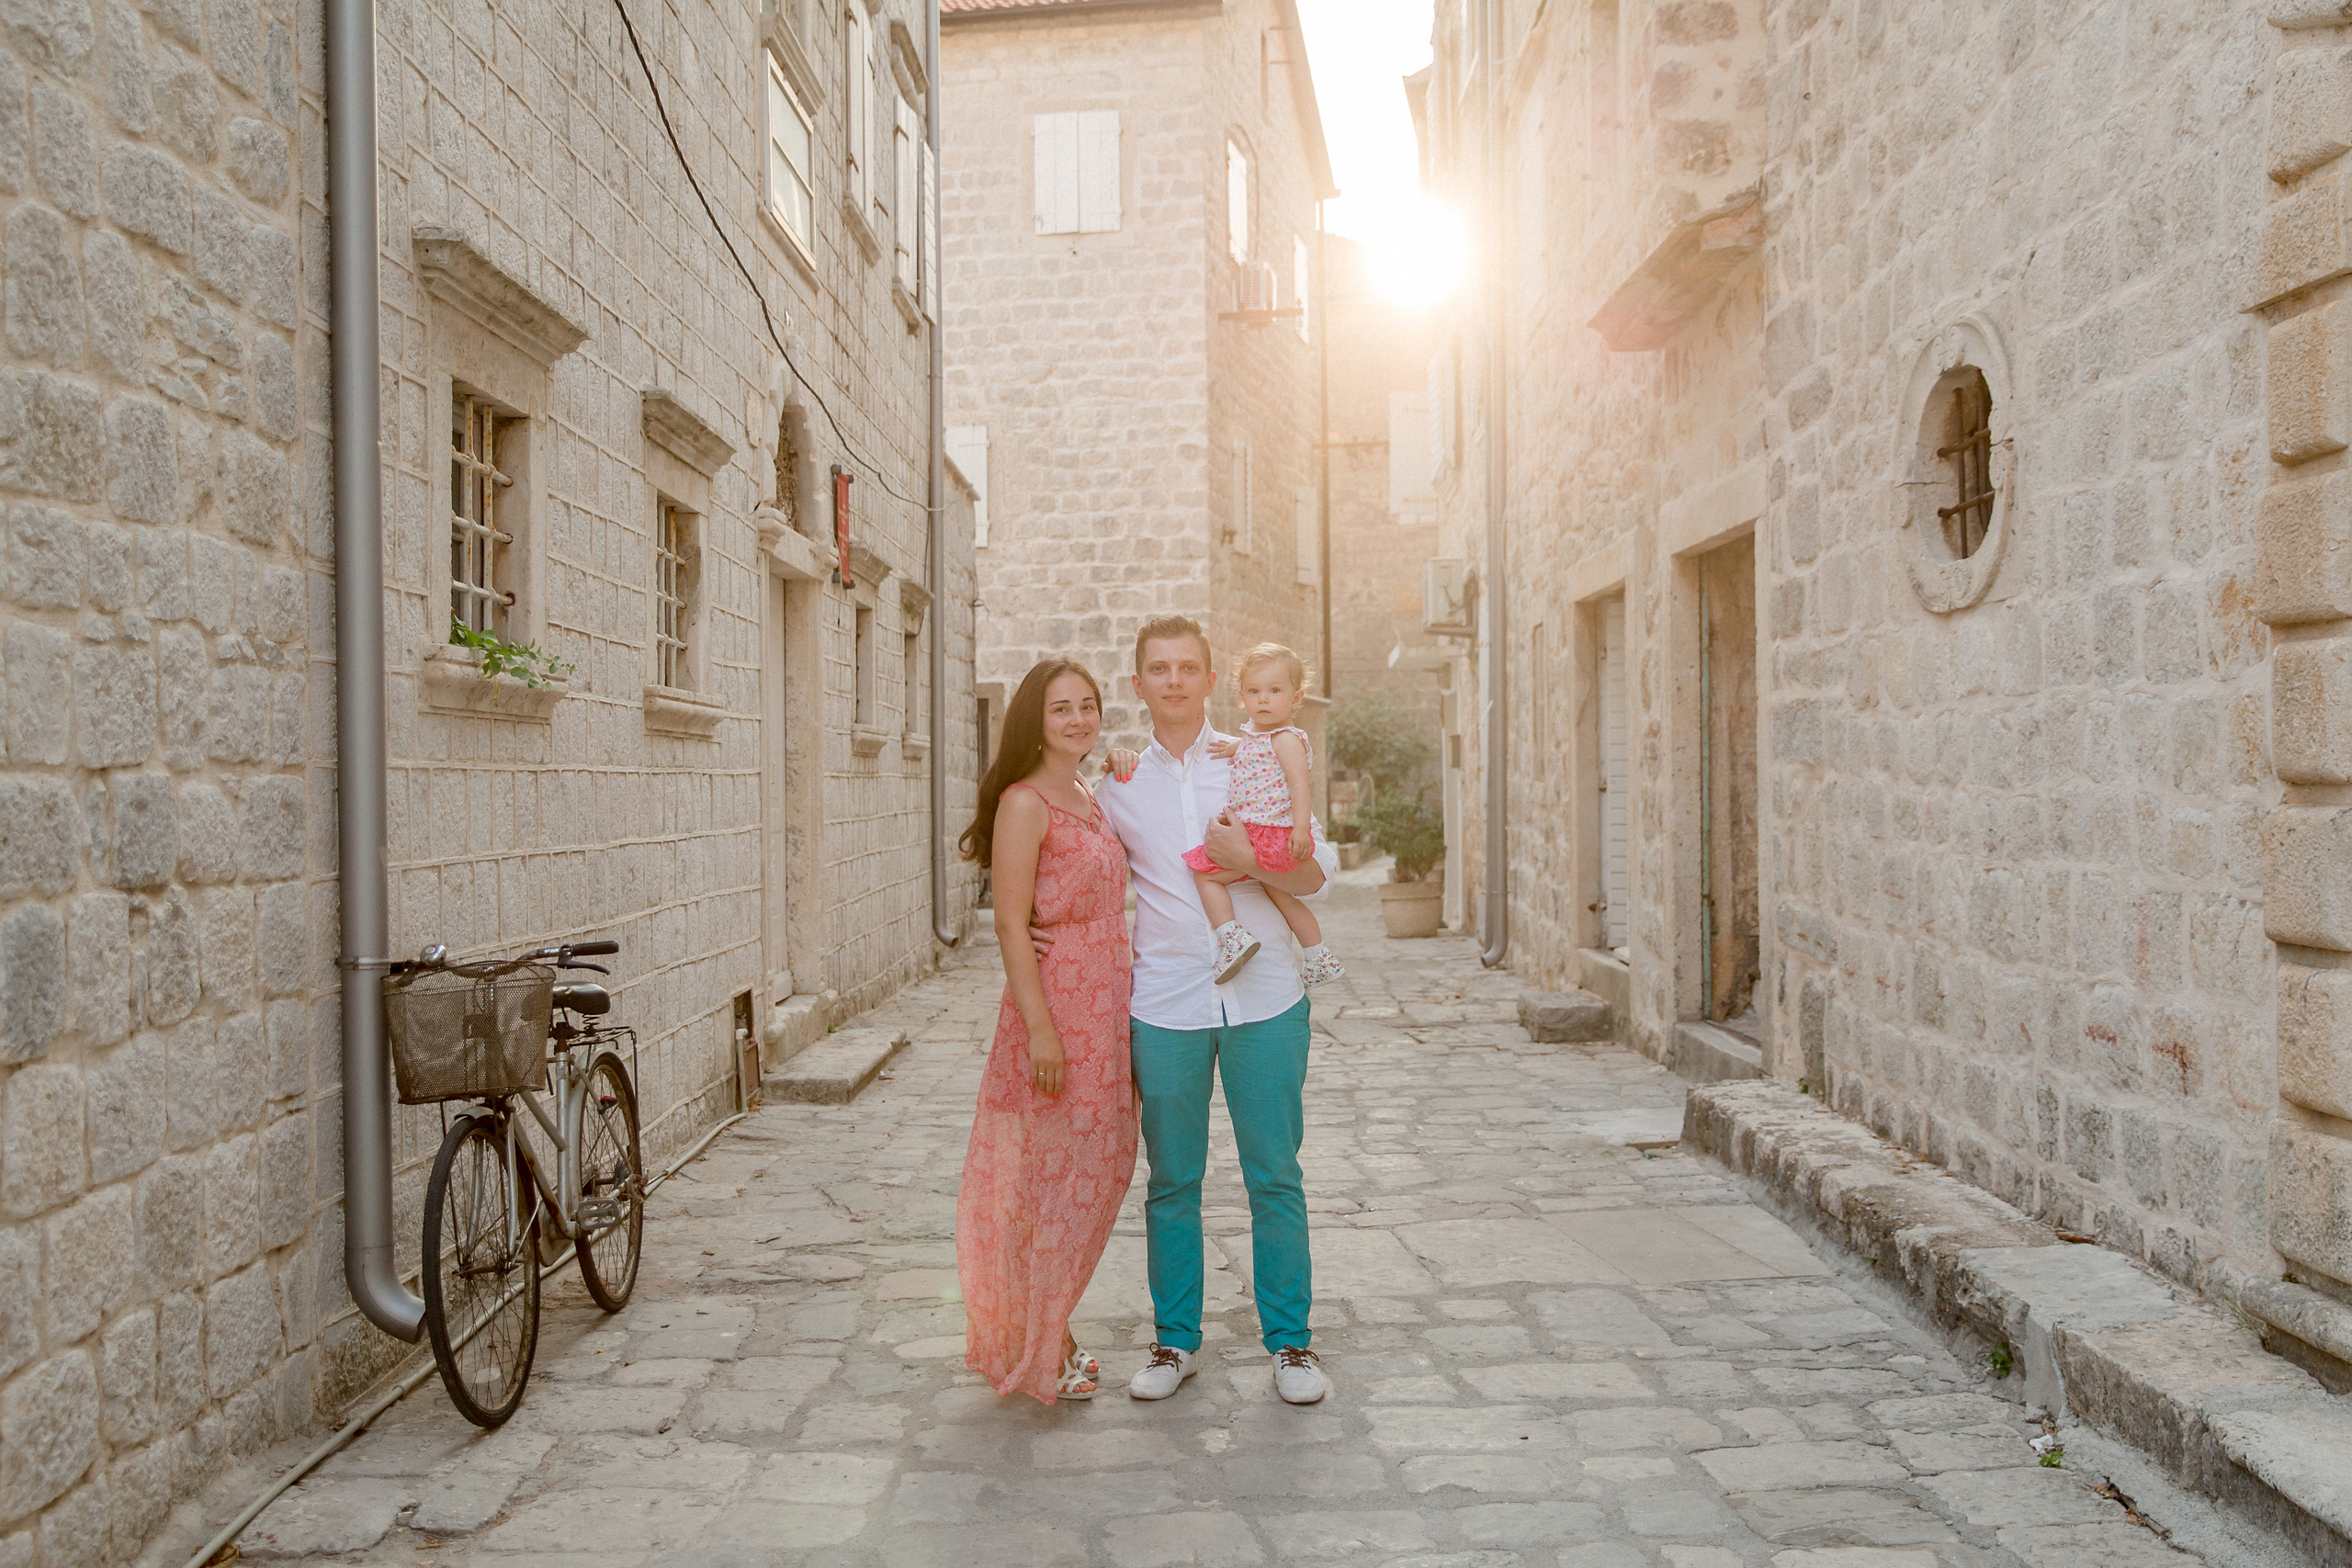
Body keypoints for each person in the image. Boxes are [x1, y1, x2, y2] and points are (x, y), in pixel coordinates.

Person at [1091, 615, 1340, 1405]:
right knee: (1172, 1180)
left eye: (1187, 667)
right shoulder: (1117, 785)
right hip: (1165, 1002)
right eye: (1157, 669)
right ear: (1139, 684)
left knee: (1276, 1175)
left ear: (1209, 679)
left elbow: (1316, 879)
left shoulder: (1255, 754)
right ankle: (1175, 1341)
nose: (1173, 680)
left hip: (1266, 996)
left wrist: (1249, 860)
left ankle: (1290, 1343)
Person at [954, 660, 1137, 1403]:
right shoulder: (1026, 803)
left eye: (1088, 706)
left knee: (1098, 1163)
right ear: (1035, 718)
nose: (1078, 719)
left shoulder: (1092, 792)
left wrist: (1123, 764)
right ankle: (1042, 1341)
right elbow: (1009, 919)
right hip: (1057, 1008)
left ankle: (1049, 1322)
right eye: (1061, 708)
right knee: (1044, 1178)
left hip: (1108, 1004)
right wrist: (1040, 1030)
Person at [1168, 642, 1342, 988]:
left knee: (1205, 875)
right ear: (1242, 696)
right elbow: (1255, 750)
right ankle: (1317, 955)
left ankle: (1232, 936)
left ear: (1295, 698)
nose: (1263, 699)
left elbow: (1299, 786)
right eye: (1254, 691)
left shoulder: (1287, 740)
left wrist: (1301, 830)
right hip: (1261, 833)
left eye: (1274, 691)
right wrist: (1235, 747)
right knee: (1279, 892)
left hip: (1268, 833)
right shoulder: (1256, 737)